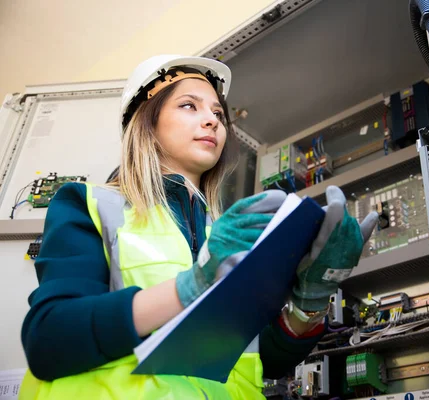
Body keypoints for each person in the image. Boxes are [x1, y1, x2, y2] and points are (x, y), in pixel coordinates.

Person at [19, 55, 378, 399]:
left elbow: (259, 362)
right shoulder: (92, 204)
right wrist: (192, 288)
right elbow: (50, 339)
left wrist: (310, 301)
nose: (213, 121)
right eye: (189, 105)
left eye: (218, 113)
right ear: (146, 120)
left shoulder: (227, 233)